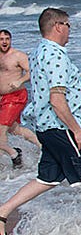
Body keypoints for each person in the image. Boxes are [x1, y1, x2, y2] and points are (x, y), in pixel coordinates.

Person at [0, 9, 81, 235]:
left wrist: (80, 88)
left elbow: (50, 86)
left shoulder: (38, 52)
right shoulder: (54, 54)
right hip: (62, 126)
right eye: (68, 25)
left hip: (46, 126)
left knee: (48, 177)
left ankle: (3, 211)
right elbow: (57, 100)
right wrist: (77, 131)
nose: (69, 30)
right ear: (58, 26)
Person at [0, 29, 40, 168]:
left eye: (7, 39)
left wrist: (20, 81)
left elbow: (32, 72)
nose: (4, 41)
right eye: (1, 39)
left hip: (16, 96)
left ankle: (12, 156)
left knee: (1, 129)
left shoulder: (18, 55)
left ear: (10, 40)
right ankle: (42, 146)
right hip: (3, 98)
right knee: (14, 130)